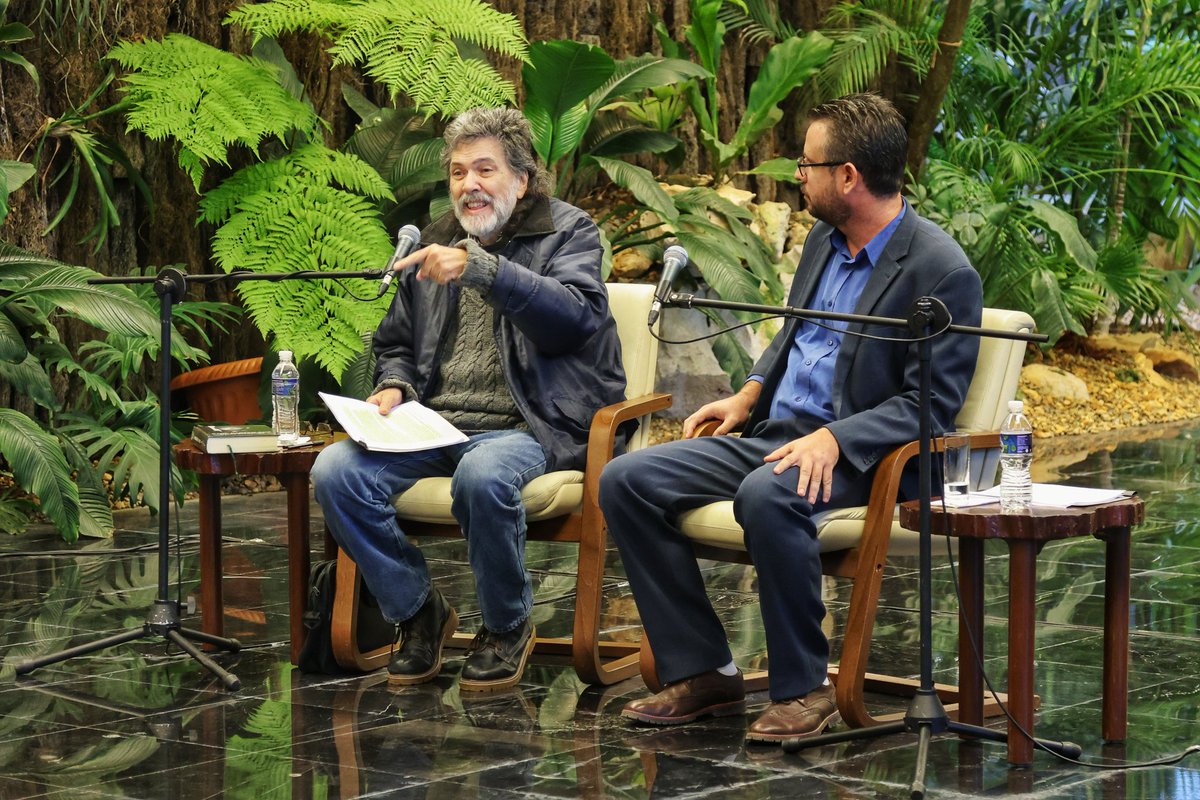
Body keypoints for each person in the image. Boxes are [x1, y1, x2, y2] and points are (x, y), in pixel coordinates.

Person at [599, 94, 984, 742]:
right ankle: (704, 670)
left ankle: (805, 689)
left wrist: (834, 438)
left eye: (807, 164)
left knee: (767, 494)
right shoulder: (823, 241)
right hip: (777, 437)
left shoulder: (941, 271)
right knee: (626, 480)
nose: (797, 174)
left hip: (861, 459)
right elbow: (792, 333)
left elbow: (931, 406)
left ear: (848, 176)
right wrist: (749, 393)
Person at [312, 106, 626, 692]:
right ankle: (418, 611)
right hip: (435, 426)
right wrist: (393, 385)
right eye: (458, 173)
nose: (468, 185)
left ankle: (507, 627)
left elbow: (575, 319)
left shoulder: (569, 231)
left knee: (482, 475)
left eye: (485, 170)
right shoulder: (436, 237)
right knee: (335, 471)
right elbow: (397, 342)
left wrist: (483, 268)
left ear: (522, 180)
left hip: (533, 424)